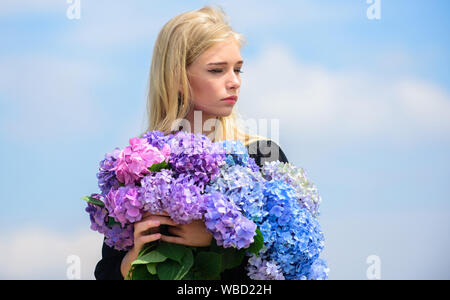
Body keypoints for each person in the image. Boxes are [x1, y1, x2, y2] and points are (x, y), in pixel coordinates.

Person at [94, 5, 289, 280]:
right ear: (178, 78)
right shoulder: (141, 165)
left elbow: (289, 265)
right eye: (217, 70)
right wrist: (135, 256)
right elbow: (107, 274)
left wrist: (214, 235)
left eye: (238, 69)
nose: (234, 82)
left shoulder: (262, 156)